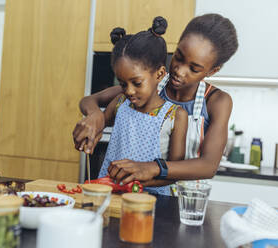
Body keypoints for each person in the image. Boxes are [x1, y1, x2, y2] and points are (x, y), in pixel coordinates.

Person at [73, 13, 238, 186]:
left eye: (194, 68)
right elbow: (91, 100)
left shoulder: (218, 101)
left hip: (184, 200)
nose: (179, 71)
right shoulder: (148, 85)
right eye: (179, 57)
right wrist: (95, 116)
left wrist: (151, 168)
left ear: (212, 71)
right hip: (132, 190)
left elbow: (208, 166)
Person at [96, 17, 188, 195]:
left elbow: (175, 171)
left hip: (154, 200)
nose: (128, 91)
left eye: (137, 83)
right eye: (123, 84)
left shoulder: (176, 115)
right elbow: (98, 123)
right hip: (111, 193)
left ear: (160, 73)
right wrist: (91, 130)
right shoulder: (120, 103)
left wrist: (138, 181)